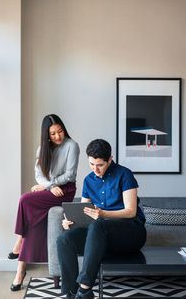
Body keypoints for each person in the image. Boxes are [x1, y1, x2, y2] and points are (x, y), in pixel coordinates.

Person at [57, 139, 146, 299]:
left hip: (131, 233)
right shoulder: (88, 180)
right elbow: (83, 213)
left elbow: (131, 212)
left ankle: (84, 290)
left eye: (100, 165)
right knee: (64, 238)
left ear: (110, 159)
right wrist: (71, 222)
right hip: (100, 236)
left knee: (98, 226)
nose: (95, 169)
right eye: (91, 164)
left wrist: (103, 214)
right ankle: (71, 292)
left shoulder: (124, 174)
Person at [9, 114, 80, 291]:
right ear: (47, 134)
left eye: (60, 131)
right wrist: (49, 186)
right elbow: (38, 174)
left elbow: (70, 175)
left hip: (65, 191)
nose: (58, 136)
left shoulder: (72, 146)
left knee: (25, 199)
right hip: (53, 189)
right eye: (53, 133)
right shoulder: (43, 148)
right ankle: (21, 270)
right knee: (32, 222)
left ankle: (18, 243)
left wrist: (49, 185)